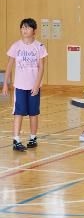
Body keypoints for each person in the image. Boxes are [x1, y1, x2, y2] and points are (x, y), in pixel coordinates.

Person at [2, 18, 48, 151]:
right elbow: (9, 66)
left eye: (27, 27)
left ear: (34, 31)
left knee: (34, 113)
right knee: (19, 112)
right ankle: (16, 140)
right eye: (22, 27)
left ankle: (33, 138)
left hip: (34, 87)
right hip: (20, 86)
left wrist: (36, 85)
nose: (24, 30)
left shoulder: (39, 46)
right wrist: (5, 84)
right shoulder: (16, 46)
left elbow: (41, 68)